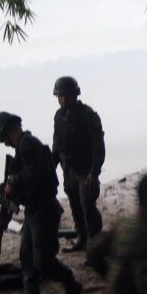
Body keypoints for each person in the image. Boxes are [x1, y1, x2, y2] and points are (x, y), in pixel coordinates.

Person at [0, 111, 83, 294]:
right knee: (27, 257)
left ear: (4, 133)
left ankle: (71, 284)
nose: (5, 143)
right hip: (34, 210)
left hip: (44, 211)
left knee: (44, 261)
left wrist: (13, 182)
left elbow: (35, 174)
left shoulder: (27, 144)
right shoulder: (23, 147)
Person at [51, 76, 105, 252]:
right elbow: (57, 144)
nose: (63, 99)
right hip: (69, 170)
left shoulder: (87, 115)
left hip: (85, 171)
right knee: (75, 206)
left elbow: (98, 145)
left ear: (75, 95)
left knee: (88, 206)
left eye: (66, 95)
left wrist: (94, 173)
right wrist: (50, 167)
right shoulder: (59, 116)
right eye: (60, 96)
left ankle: (95, 243)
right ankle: (82, 237)